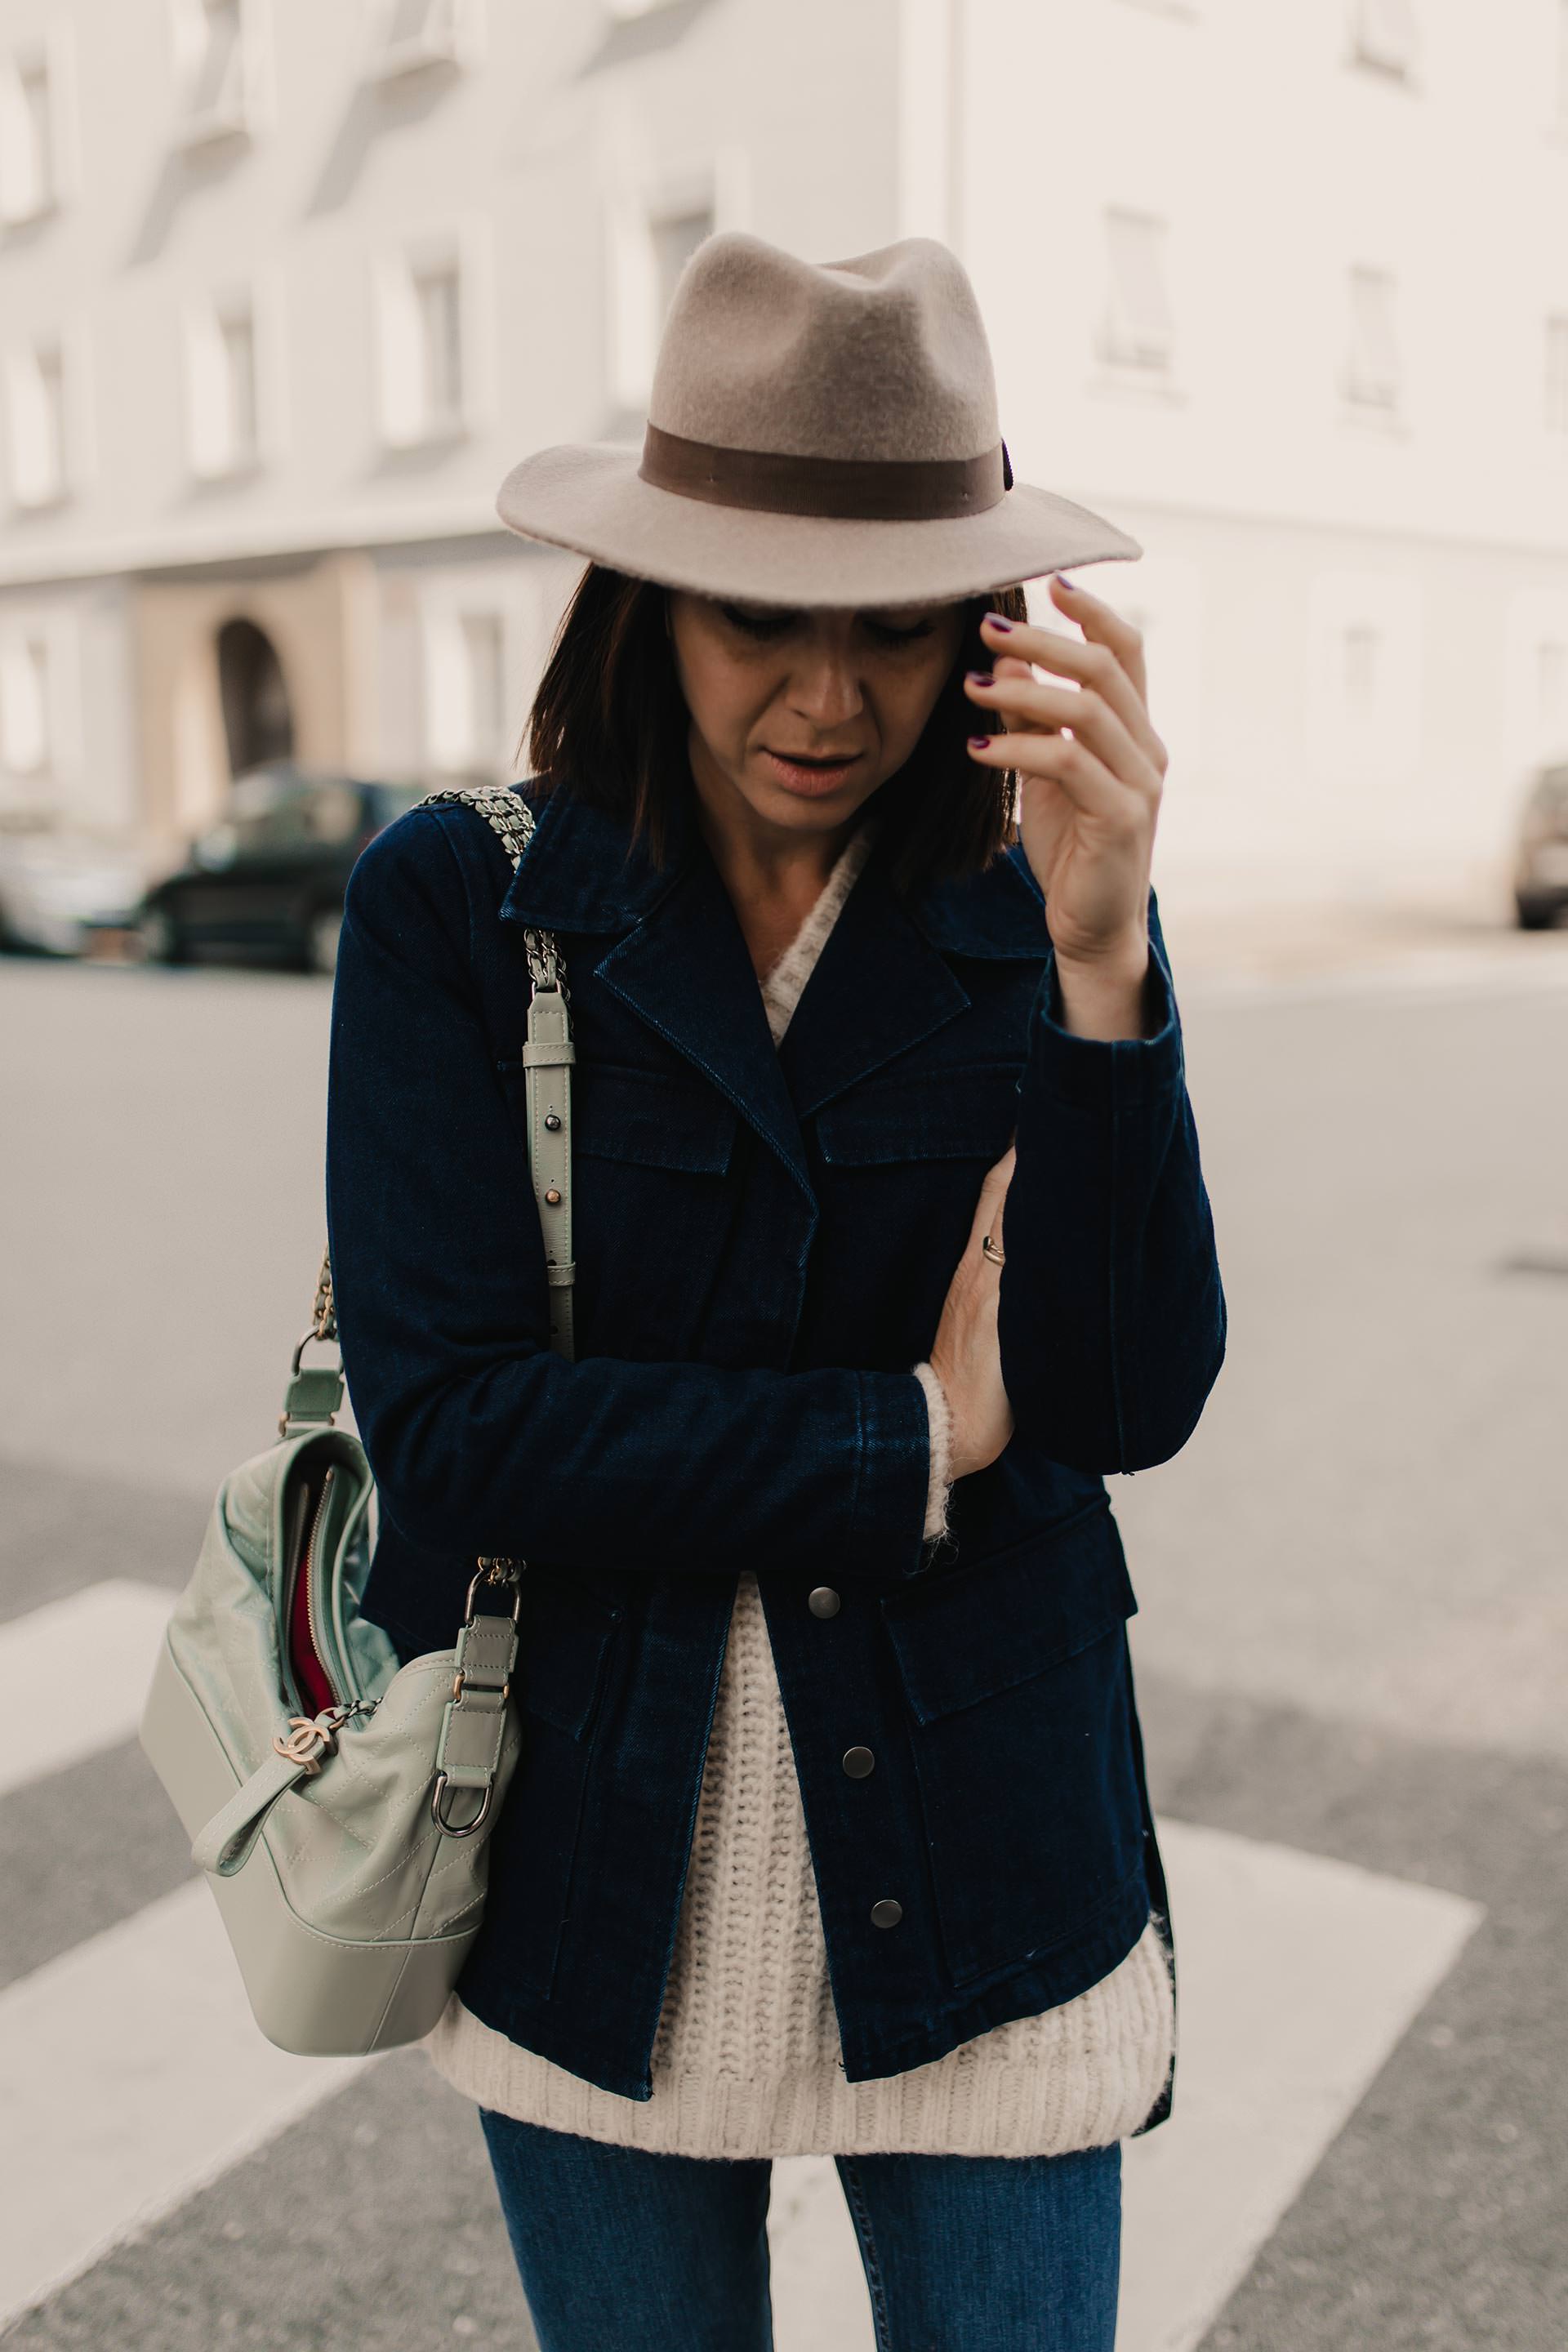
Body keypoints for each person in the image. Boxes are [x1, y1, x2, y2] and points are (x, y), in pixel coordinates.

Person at [325, 231, 1226, 2352]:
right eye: (759, 623)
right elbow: (453, 1429)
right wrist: (907, 1437)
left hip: (989, 1872)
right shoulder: (464, 906)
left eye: (898, 632)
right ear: (647, 599)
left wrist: (1110, 964)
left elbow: (1118, 1394)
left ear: (985, 628)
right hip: (585, 1874)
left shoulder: (1024, 897)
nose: (829, 701)